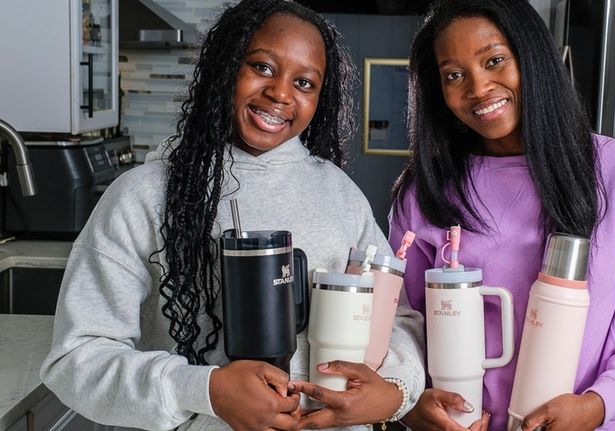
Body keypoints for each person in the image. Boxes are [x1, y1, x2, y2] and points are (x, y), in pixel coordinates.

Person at [40, 1, 425, 430]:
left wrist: (395, 390)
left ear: (321, 97)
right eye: (261, 67)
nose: (280, 93)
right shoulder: (143, 195)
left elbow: (398, 318)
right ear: (225, 67)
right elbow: (76, 359)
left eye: (303, 82)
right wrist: (205, 389)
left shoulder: (340, 194)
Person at [388, 0, 615, 430]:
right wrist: (412, 403)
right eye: (453, 75)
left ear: (531, 56)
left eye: (495, 60)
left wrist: (600, 403)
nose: (478, 88)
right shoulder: (423, 193)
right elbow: (402, 322)